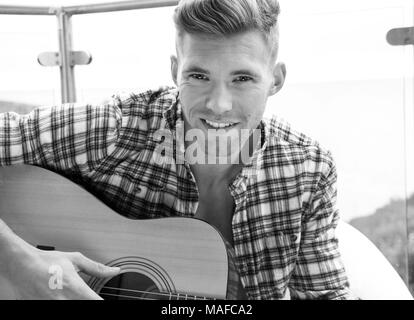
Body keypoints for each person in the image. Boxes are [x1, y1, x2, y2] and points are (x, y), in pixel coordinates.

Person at [0, 0, 356, 299]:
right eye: (199, 76)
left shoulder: (308, 169)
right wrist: (21, 262)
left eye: (242, 79)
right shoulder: (117, 129)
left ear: (275, 79)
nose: (218, 104)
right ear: (175, 71)